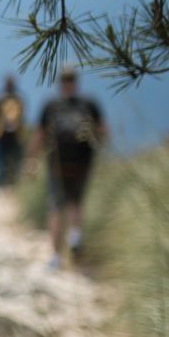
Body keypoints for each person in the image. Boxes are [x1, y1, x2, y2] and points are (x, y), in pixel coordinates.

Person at [28, 66, 107, 268]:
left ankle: (59, 253)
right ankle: (72, 239)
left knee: (59, 206)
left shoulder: (53, 105)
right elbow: (102, 133)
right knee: (70, 204)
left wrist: (32, 161)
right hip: (73, 164)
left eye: (68, 80)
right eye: (66, 80)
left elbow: (39, 134)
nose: (67, 84)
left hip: (67, 165)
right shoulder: (88, 104)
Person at [0, 74, 26, 188]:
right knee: (1, 159)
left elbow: (21, 115)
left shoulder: (17, 98)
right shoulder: (2, 98)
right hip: (3, 133)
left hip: (15, 133)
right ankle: (2, 183)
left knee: (15, 160)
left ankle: (15, 183)